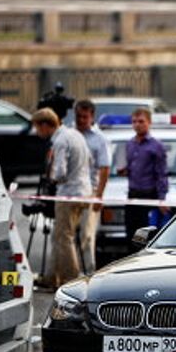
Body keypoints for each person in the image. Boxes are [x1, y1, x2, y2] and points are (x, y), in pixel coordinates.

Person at [31, 107, 92, 287]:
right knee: (59, 236)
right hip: (83, 191)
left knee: (65, 237)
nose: (36, 132)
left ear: (45, 125)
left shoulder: (60, 141)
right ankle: (51, 277)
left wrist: (50, 176)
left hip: (68, 194)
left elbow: (60, 173)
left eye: (37, 127)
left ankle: (71, 280)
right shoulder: (75, 134)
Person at [118, 108, 168, 251]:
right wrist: (125, 171)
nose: (137, 125)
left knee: (144, 235)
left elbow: (161, 173)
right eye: (134, 121)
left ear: (149, 123)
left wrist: (162, 198)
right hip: (132, 194)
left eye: (141, 121)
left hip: (148, 195)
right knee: (131, 233)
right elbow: (134, 168)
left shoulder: (156, 146)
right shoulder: (130, 144)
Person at [74, 99, 111, 274]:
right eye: (78, 116)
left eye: (85, 117)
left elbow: (105, 168)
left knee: (87, 236)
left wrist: (99, 195)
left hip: (90, 191)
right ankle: (70, 272)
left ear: (92, 117)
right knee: (66, 237)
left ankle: (89, 272)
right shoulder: (70, 134)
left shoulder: (99, 139)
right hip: (70, 191)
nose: (81, 120)